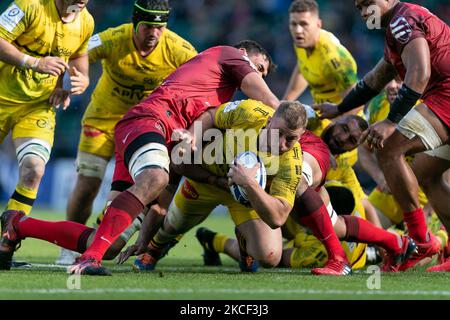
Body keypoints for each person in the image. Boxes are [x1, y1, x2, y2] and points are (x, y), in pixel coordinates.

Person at [0, 40, 280, 274]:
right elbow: (271, 103)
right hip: (149, 120)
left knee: (110, 243)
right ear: (247, 54)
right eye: (260, 67)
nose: (259, 75)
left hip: (159, 140)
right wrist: (297, 130)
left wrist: (145, 242)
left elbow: (163, 199)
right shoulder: (230, 54)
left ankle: (18, 225)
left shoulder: (218, 105)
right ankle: (89, 260)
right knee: (154, 176)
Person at [57, 0, 197, 265]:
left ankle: (109, 238)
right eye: (147, 27)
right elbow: (77, 50)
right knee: (87, 184)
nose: (154, 34)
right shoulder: (114, 38)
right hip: (102, 121)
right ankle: (68, 248)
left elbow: (203, 78)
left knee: (145, 188)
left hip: (142, 128)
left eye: (160, 28)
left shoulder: (180, 50)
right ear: (135, 23)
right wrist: (71, 79)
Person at [314, 0, 450, 271]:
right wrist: (339, 108)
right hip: (442, 97)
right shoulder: (398, 27)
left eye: (369, 3)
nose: (365, 12)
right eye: (359, 7)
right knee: (425, 171)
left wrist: (390, 121)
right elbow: (374, 81)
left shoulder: (402, 21)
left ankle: (420, 242)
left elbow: (420, 72)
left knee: (389, 149)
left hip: (445, 96)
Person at [196, 117, 416, 274]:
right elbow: (285, 111)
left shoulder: (345, 167)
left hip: (290, 208)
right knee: (327, 222)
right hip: (288, 205)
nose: (342, 137)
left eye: (351, 139)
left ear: (354, 147)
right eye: (343, 129)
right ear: (336, 121)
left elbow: (364, 203)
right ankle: (394, 242)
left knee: (271, 254)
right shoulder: (314, 119)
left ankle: (347, 256)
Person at [130, 99, 306, 272]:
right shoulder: (249, 112)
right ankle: (156, 246)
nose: (282, 143)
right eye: (278, 133)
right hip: (206, 181)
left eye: (290, 138)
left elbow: (278, 218)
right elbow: (213, 115)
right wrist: (192, 137)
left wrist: (249, 183)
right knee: (172, 226)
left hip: (247, 197)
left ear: (301, 135)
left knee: (270, 256)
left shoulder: (292, 162)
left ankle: (242, 240)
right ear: (269, 122)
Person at [0, 0, 93, 215]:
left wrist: (83, 79)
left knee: (34, 168)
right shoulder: (29, 5)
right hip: (3, 97)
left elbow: (79, 54)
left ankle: (9, 234)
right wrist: (34, 63)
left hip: (38, 106)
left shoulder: (85, 20)